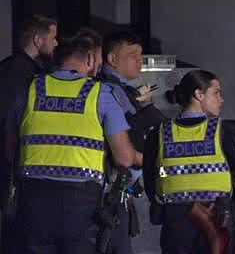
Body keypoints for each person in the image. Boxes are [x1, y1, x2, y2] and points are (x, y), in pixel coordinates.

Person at [6, 30, 140, 253]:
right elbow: (124, 158)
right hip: (81, 203)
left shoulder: (28, 90)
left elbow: (9, 151)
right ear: (89, 59)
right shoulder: (101, 94)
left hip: (32, 199)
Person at [144, 70, 235, 254]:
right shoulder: (224, 132)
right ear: (199, 94)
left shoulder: (158, 134)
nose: (221, 99)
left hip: (175, 226)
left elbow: (152, 180)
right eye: (216, 93)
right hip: (215, 223)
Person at [97, 31, 166, 254]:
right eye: (132, 54)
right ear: (112, 59)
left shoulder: (121, 90)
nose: (140, 60)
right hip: (112, 188)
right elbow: (128, 144)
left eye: (141, 55)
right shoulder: (111, 91)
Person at [0, 14, 58, 253]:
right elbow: (10, 123)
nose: (56, 44)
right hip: (14, 168)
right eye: (53, 38)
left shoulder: (8, 67)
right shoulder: (25, 76)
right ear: (37, 40)